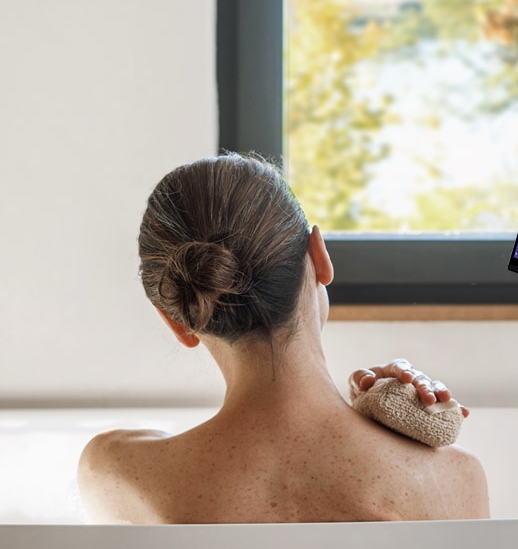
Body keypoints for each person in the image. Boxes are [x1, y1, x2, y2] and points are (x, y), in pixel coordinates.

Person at [77, 155, 489, 524]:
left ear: (178, 323)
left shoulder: (119, 473)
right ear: (320, 257)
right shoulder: (456, 479)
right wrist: (372, 422)